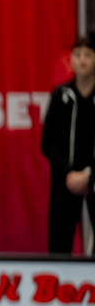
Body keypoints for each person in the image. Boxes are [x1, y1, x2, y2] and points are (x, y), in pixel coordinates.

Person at [42, 36, 95, 255]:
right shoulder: (60, 94)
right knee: (59, 243)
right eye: (77, 55)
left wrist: (89, 175)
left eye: (88, 55)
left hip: (92, 177)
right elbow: (47, 141)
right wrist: (69, 172)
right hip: (66, 180)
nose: (82, 60)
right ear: (71, 60)